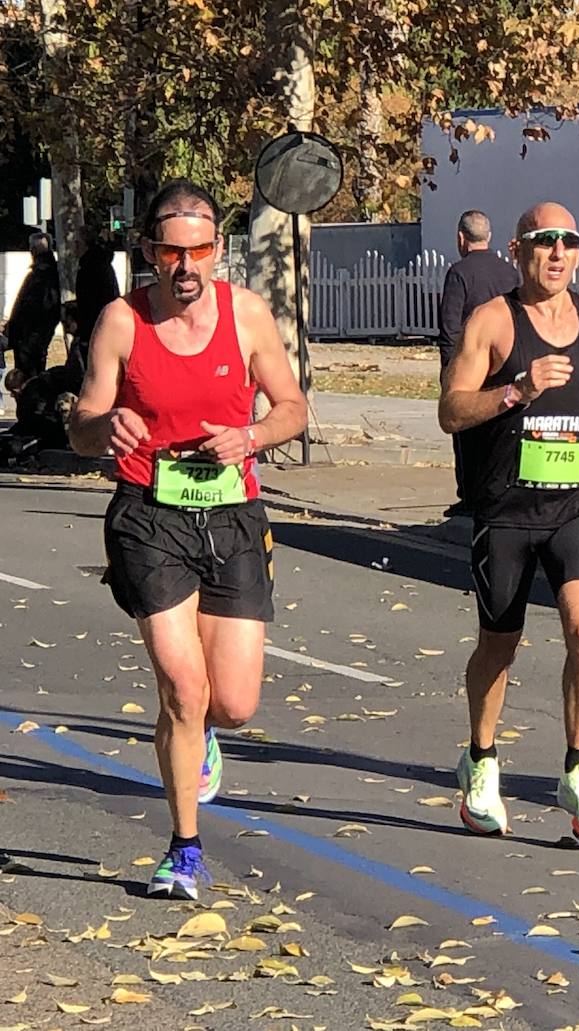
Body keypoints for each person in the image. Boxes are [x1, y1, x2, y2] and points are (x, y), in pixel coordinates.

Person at [68, 179, 307, 898]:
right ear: (149, 252)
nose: (186, 266)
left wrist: (254, 434)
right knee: (182, 684)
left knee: (232, 704)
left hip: (233, 515)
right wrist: (101, 429)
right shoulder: (121, 321)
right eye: (172, 252)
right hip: (149, 514)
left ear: (218, 252)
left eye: (200, 250)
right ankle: (185, 847)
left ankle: (198, 729)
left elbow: (293, 406)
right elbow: (81, 422)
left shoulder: (250, 316)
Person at [438, 201, 579, 841]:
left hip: (577, 503)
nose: (558, 254)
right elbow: (451, 409)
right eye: (544, 242)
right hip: (508, 512)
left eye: (568, 242)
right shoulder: (494, 321)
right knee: (499, 643)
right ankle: (481, 758)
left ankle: (577, 770)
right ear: (518, 252)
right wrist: (518, 390)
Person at [437, 210, 521, 518]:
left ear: (461, 238)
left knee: (466, 435)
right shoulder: (509, 272)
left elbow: (450, 327)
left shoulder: (459, 273)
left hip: (470, 365)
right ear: (489, 237)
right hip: (505, 363)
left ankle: (470, 495)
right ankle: (496, 491)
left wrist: (449, 372)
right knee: (499, 431)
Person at [5, 232, 61, 379]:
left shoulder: (42, 275)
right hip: (31, 337)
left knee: (28, 378)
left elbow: (37, 307)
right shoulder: (45, 273)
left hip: (31, 338)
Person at [73, 225, 122, 370]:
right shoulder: (98, 262)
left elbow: (92, 302)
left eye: (77, 242)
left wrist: (85, 333)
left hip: (95, 330)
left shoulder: (91, 267)